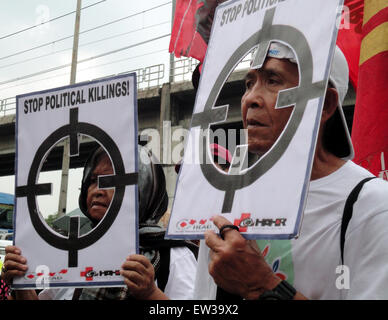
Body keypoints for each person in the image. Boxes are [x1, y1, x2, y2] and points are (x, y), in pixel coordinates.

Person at [194, 42, 388, 300]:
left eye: (273, 81)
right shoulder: (228, 201)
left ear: (325, 104)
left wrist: (262, 285)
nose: (250, 98)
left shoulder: (372, 208)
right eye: (249, 83)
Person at [1, 145, 197, 300]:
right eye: (93, 180)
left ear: (145, 190)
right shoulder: (74, 250)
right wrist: (21, 281)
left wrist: (150, 294)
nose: (97, 190)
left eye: (111, 181)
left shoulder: (173, 255)